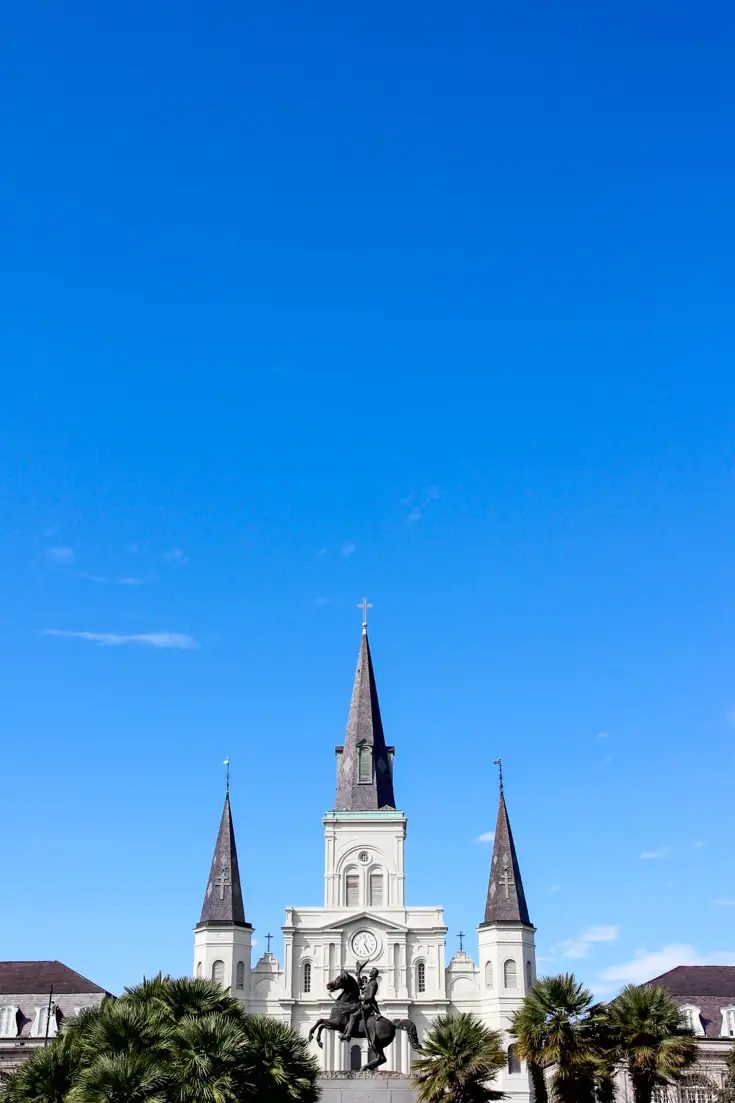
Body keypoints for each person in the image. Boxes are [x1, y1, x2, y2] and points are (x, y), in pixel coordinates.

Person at [341, 965, 382, 1042]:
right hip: (364, 1004)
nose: (370, 972)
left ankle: (348, 1035)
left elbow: (370, 997)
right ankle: (345, 1033)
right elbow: (361, 987)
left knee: (353, 1016)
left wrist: (361, 998)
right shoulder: (370, 982)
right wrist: (358, 975)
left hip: (369, 1006)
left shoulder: (373, 983)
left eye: (371, 971)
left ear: (374, 974)